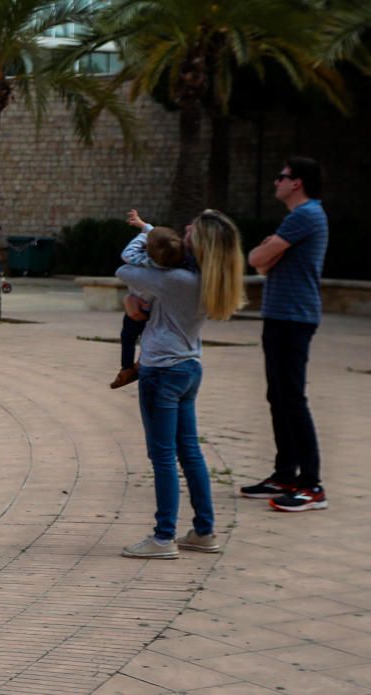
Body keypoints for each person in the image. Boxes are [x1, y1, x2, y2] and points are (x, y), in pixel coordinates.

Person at [116, 209, 244, 559]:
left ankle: (163, 538)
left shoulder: (176, 280)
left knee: (162, 457)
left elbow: (124, 269)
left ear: (199, 243)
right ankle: (204, 531)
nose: (184, 228)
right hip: (188, 368)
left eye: (191, 230)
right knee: (190, 453)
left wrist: (145, 236)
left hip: (161, 373)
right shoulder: (205, 278)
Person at [241, 156, 329, 512]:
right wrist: (268, 253)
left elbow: (256, 258)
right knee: (278, 395)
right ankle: (285, 475)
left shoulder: (305, 216)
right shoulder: (298, 218)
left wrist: (268, 252)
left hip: (295, 318)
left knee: (291, 397)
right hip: (281, 316)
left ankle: (311, 485)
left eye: (282, 177)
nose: (276, 181)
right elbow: (261, 260)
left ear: (297, 183)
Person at [112, 210, 186, 389]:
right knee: (148, 336)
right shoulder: (172, 262)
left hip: (138, 305)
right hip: (154, 308)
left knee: (128, 336)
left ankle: (127, 368)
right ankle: (139, 364)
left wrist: (144, 234)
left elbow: (126, 255)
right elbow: (164, 241)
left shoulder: (140, 261)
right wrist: (144, 226)